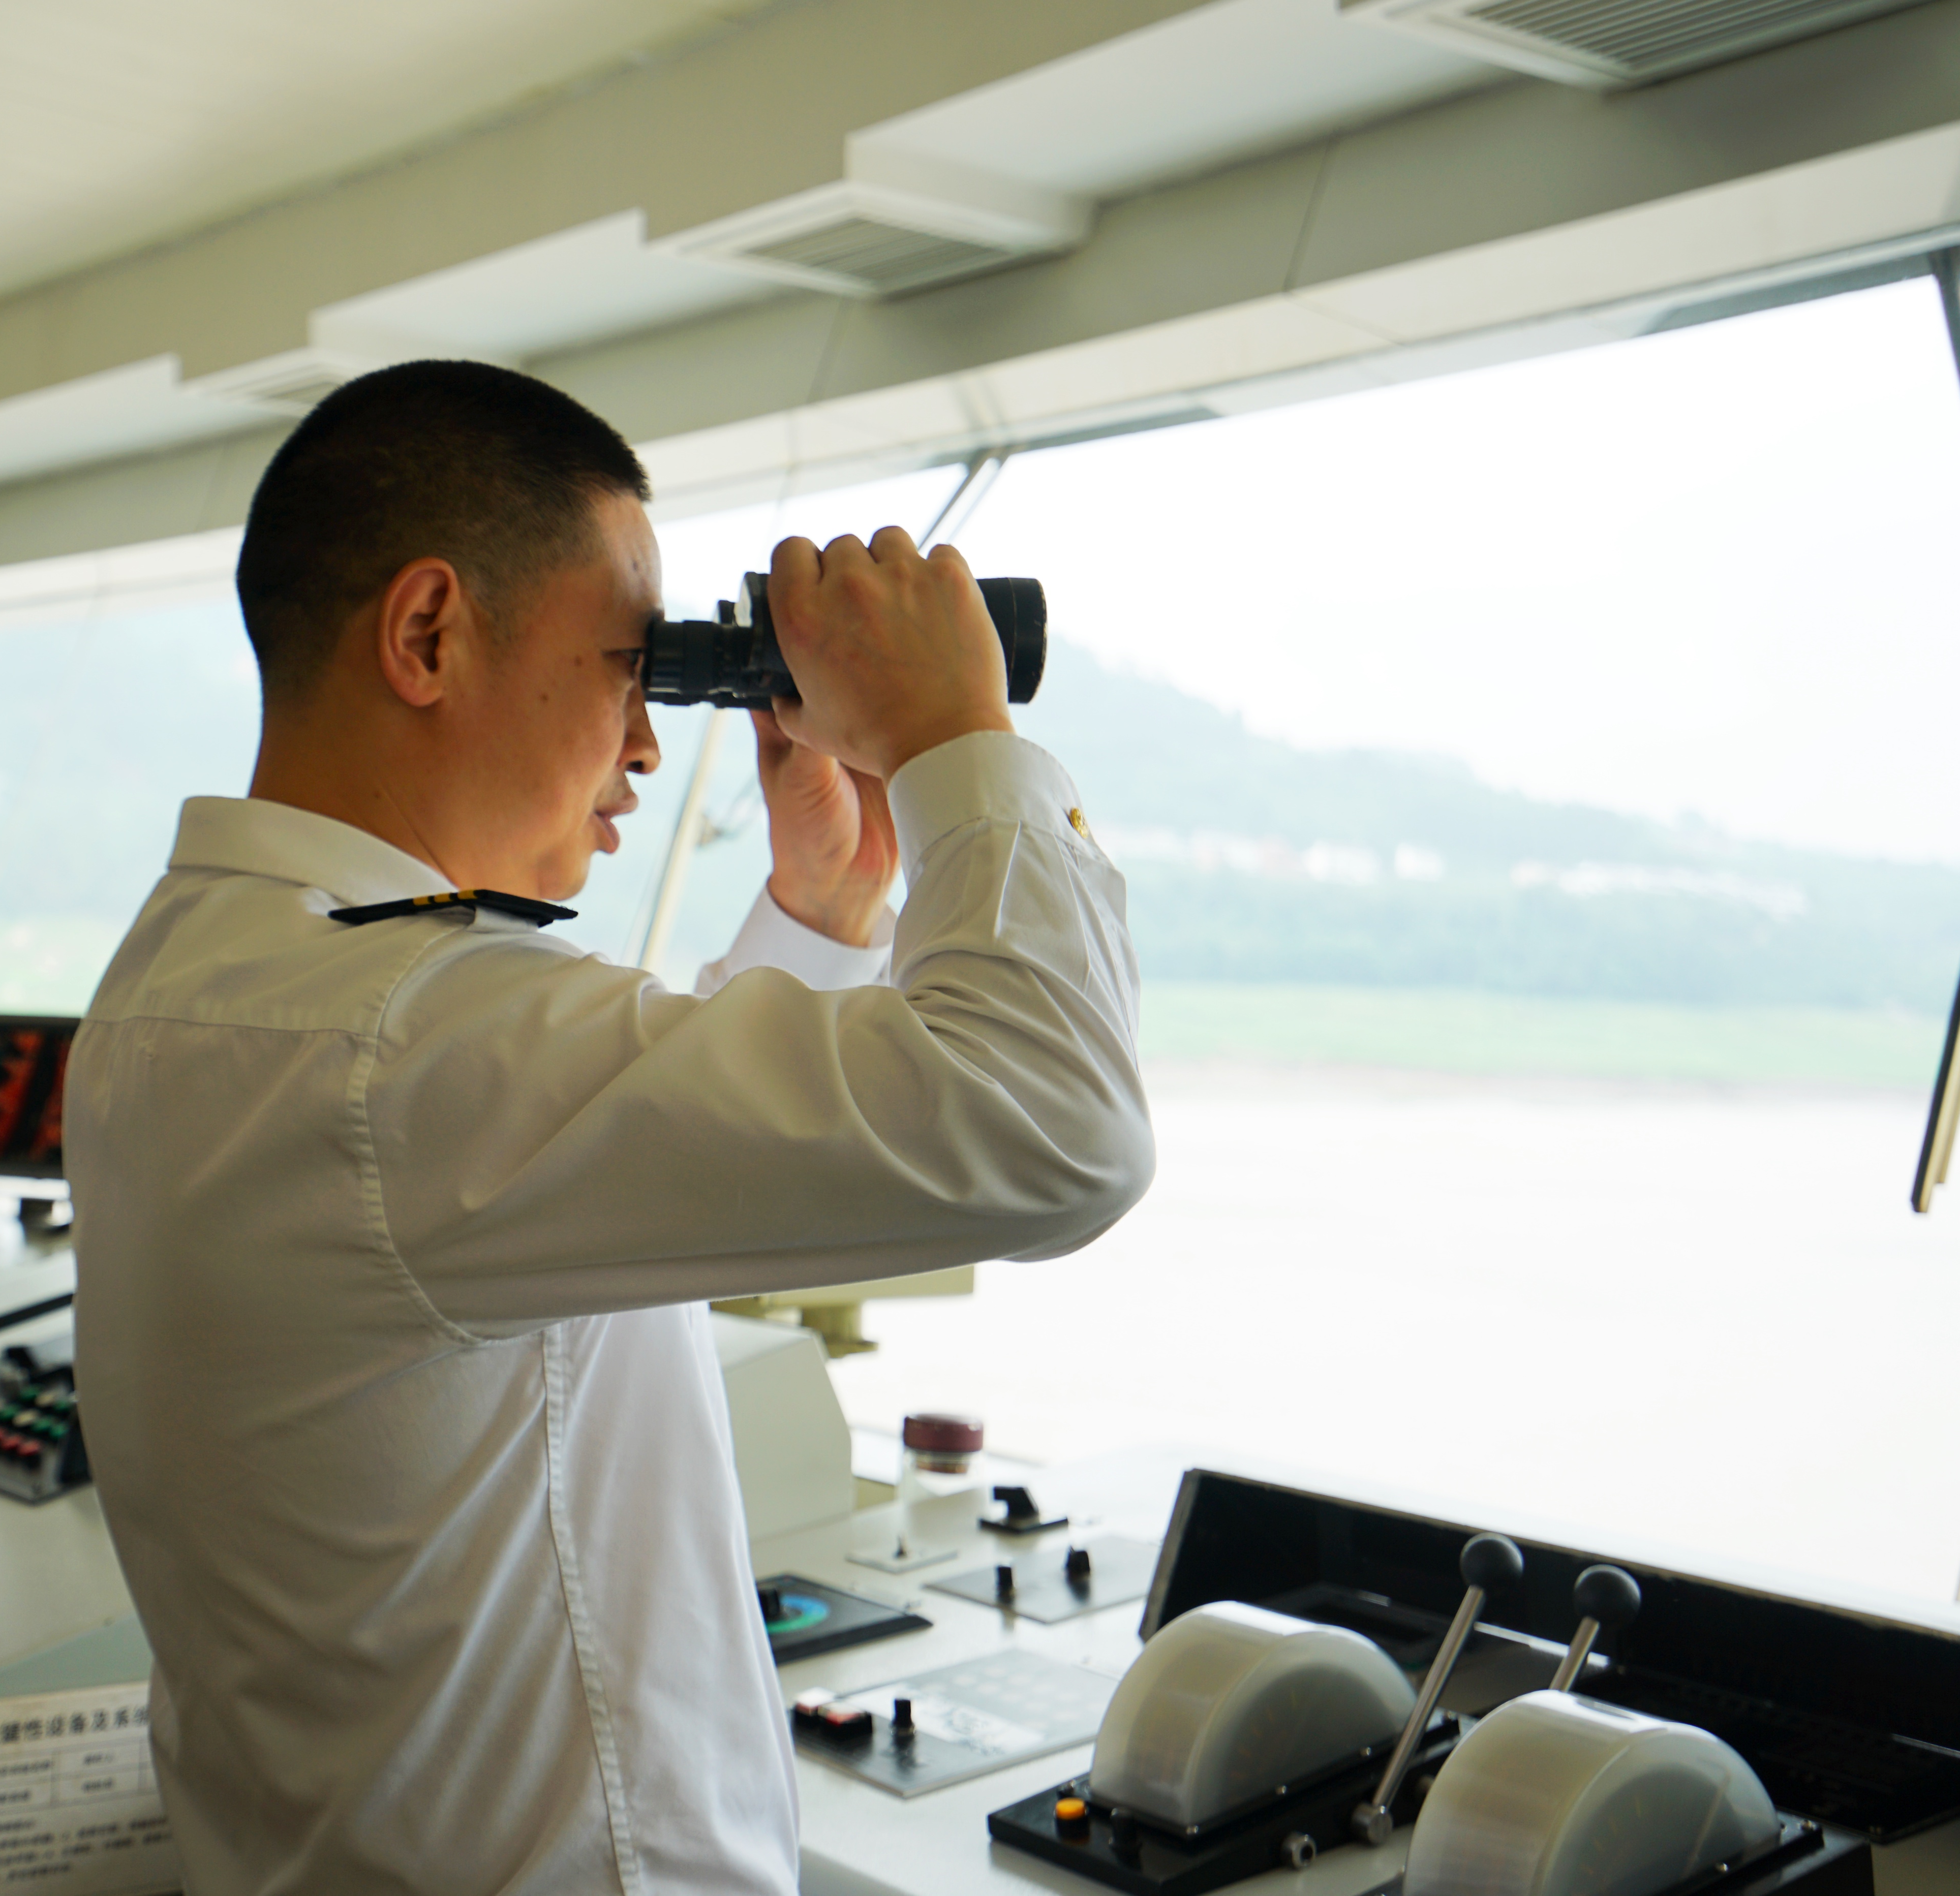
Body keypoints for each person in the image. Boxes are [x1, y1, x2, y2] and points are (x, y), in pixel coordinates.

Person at [64, 360, 1155, 1893]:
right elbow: (1057, 1129)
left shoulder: (209, 980)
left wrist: (827, 912)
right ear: (429, 632)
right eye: (628, 666)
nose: (648, 746)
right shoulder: (395, 1034)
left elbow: (564, 1217)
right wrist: (951, 736)